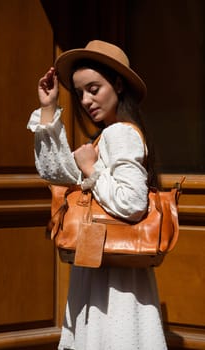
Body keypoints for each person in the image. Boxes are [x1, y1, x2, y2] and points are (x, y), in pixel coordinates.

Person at [27, 40, 167, 350]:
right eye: (79, 93)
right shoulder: (108, 134)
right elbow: (56, 173)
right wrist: (49, 108)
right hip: (103, 267)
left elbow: (131, 202)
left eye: (94, 88)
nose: (86, 100)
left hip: (114, 280)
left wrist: (92, 171)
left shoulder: (121, 133)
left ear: (118, 84)